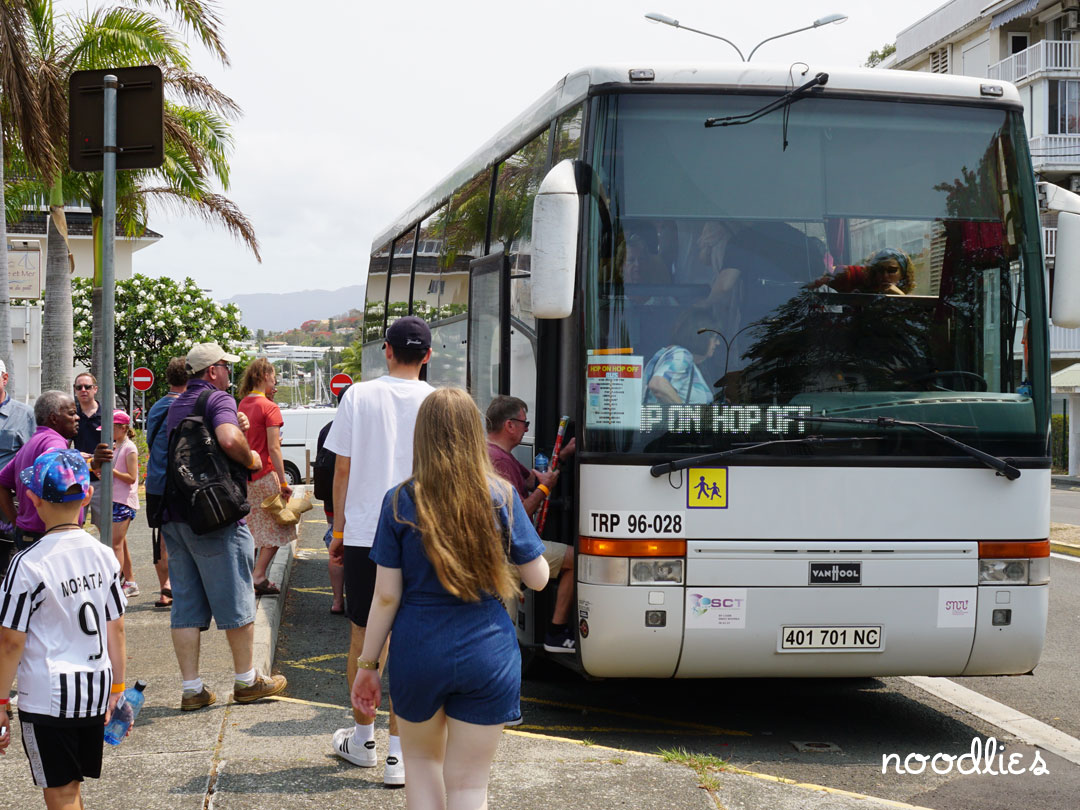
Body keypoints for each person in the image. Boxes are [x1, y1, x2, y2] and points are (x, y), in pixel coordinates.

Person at [352, 388, 549, 809]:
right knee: (468, 784)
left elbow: (386, 597)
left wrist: (368, 666)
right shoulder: (501, 496)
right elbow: (538, 579)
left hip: (419, 649)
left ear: (421, 436)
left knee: (422, 768)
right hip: (488, 651)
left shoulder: (399, 501)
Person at [325, 315, 435, 785]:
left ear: (386, 351)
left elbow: (342, 471)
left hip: (368, 531)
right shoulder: (437, 401)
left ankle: (362, 738)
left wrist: (339, 531)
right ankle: (399, 756)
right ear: (428, 356)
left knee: (364, 635)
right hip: (423, 531)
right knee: (412, 640)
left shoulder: (358, 395)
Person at [160, 342, 287, 711]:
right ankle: (247, 681)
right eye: (225, 368)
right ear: (212, 370)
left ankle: (192, 689)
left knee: (185, 605)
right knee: (236, 596)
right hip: (215, 515)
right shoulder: (217, 399)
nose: (230, 374)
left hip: (177, 513)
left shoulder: (177, 402)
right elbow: (229, 440)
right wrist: (250, 456)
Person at [0, 449, 127, 810]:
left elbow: (10, 642)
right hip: (96, 689)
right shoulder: (103, 555)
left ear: (33, 499)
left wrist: (0, 701)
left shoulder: (27, 564)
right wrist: (118, 689)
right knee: (73, 788)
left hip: (48, 696)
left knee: (60, 791)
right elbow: (115, 628)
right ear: (87, 495)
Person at [485, 395, 577, 653]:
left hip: (500, 551)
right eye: (525, 424)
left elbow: (532, 480)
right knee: (577, 559)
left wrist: (563, 456)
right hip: (508, 552)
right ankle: (557, 632)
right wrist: (546, 489)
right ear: (509, 425)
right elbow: (518, 514)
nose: (527, 429)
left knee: (503, 625)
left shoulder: (496, 454)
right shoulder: (499, 461)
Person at [238, 358, 296, 596]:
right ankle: (259, 575)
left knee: (251, 527)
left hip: (246, 475)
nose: (275, 380)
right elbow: (274, 448)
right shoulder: (270, 407)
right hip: (265, 474)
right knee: (279, 524)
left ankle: (246, 576)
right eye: (273, 375)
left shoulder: (242, 403)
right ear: (263, 376)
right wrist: (283, 482)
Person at [0, 392, 84, 550]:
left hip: (28, 534)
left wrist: (16, 520)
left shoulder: (31, 443)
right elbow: (63, 483)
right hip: (49, 537)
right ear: (54, 418)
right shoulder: (54, 442)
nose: (77, 417)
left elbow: (2, 482)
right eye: (72, 413)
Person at [144, 357, 189, 609]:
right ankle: (178, 586)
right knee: (182, 537)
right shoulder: (187, 406)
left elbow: (151, 442)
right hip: (179, 482)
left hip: (155, 480)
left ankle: (165, 589)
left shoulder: (157, 407)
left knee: (160, 537)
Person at [313, 385, 350, 615]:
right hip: (354, 497)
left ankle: (337, 601)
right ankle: (356, 598)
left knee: (335, 550)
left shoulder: (327, 429)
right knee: (356, 548)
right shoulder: (360, 429)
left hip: (331, 500)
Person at [0, 358, 35, 575]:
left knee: (9, 559)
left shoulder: (24, 414)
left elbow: (31, 460)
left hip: (8, 502)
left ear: (4, 379)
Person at [642, 309, 719, 405]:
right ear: (702, 337)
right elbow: (658, 384)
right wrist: (686, 416)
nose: (717, 343)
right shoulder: (682, 355)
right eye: (714, 337)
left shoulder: (671, 355)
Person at [110, 411, 140, 598]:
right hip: (115, 498)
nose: (109, 432)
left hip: (124, 501)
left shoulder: (130, 448)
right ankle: (129, 581)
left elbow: (132, 477)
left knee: (116, 545)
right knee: (120, 543)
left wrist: (110, 471)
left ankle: (115, 584)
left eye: (112, 428)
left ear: (122, 428)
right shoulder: (117, 446)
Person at [72, 373, 105, 534]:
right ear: (75, 390)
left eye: (87, 387)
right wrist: (75, 453)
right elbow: (62, 445)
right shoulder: (72, 416)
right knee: (74, 527)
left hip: (103, 479)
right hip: (77, 480)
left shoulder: (107, 415)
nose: (83, 390)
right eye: (79, 387)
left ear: (95, 389)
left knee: (107, 529)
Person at [812, 248, 916, 296]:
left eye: (892, 270)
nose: (885, 276)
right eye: (879, 270)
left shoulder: (904, 295)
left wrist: (900, 297)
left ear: (903, 274)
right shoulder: (860, 293)